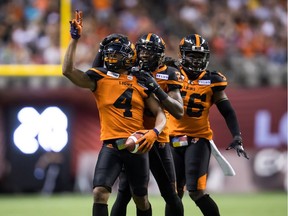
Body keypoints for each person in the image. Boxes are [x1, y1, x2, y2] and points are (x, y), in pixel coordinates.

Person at [63, 10, 167, 216]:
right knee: (99, 193)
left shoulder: (141, 80)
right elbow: (68, 71)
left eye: (115, 55)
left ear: (128, 58)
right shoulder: (99, 77)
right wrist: (74, 40)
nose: (110, 58)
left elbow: (161, 113)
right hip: (111, 145)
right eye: (108, 54)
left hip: (136, 145)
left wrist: (154, 132)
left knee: (141, 199)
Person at [166, 34, 249, 216]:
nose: (196, 61)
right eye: (192, 56)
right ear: (182, 54)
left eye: (200, 57)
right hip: (171, 139)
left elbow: (227, 110)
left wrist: (236, 135)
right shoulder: (171, 74)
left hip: (198, 139)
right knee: (173, 194)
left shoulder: (212, 80)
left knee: (196, 191)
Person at [109, 33, 185, 216]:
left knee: (170, 194)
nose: (143, 56)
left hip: (158, 137)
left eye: (149, 52)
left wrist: (155, 87)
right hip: (134, 137)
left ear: (159, 54)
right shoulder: (130, 69)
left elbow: (179, 111)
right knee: (126, 194)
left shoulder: (169, 73)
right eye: (141, 51)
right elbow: (98, 71)